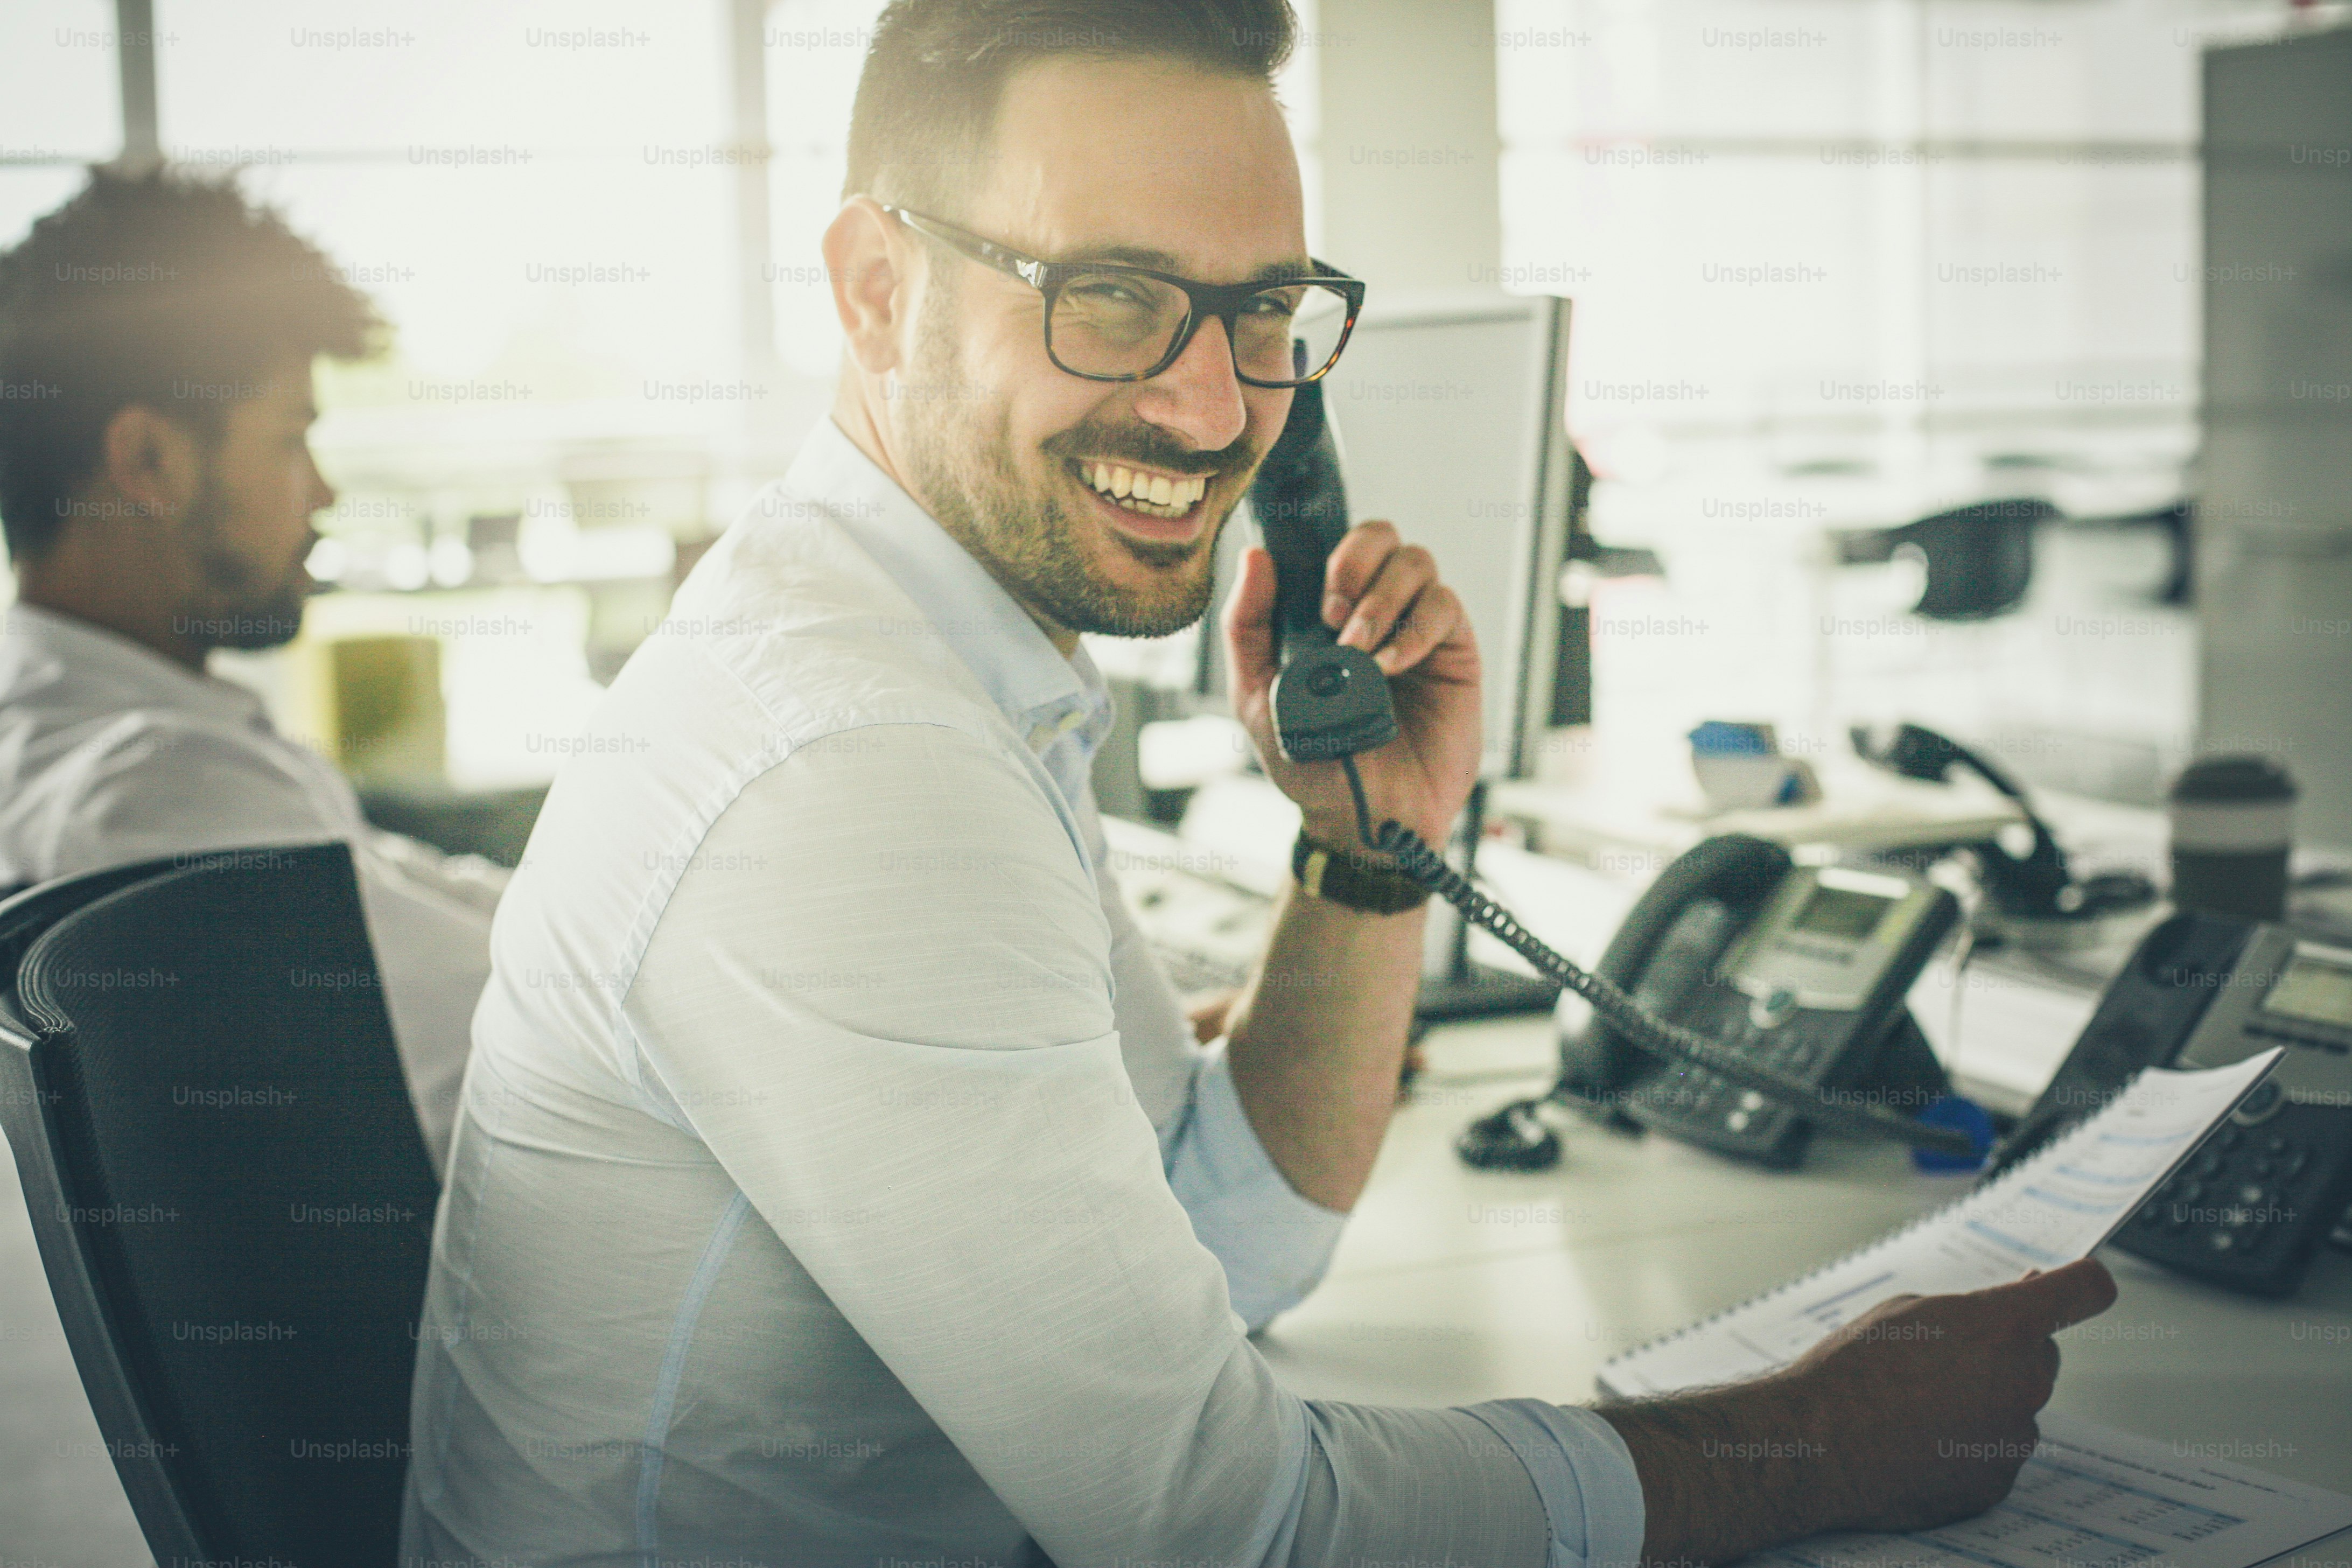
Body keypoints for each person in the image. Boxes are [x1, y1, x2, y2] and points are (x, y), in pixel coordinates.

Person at [401, 1, 2116, 1560]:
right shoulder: (851, 766)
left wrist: (1371, 853)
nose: (1222, 411)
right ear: (874, 290)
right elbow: (1235, 1532)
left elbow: (1226, 1245)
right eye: (1116, 298)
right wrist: (1816, 1442)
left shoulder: (942, 670)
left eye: (1267, 312)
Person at [0, 169, 502, 1170]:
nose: (322, 492)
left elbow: (412, 886)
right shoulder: (152, 789)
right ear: (149, 462)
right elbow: (523, 1039)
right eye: (289, 439)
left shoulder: (79, 730)